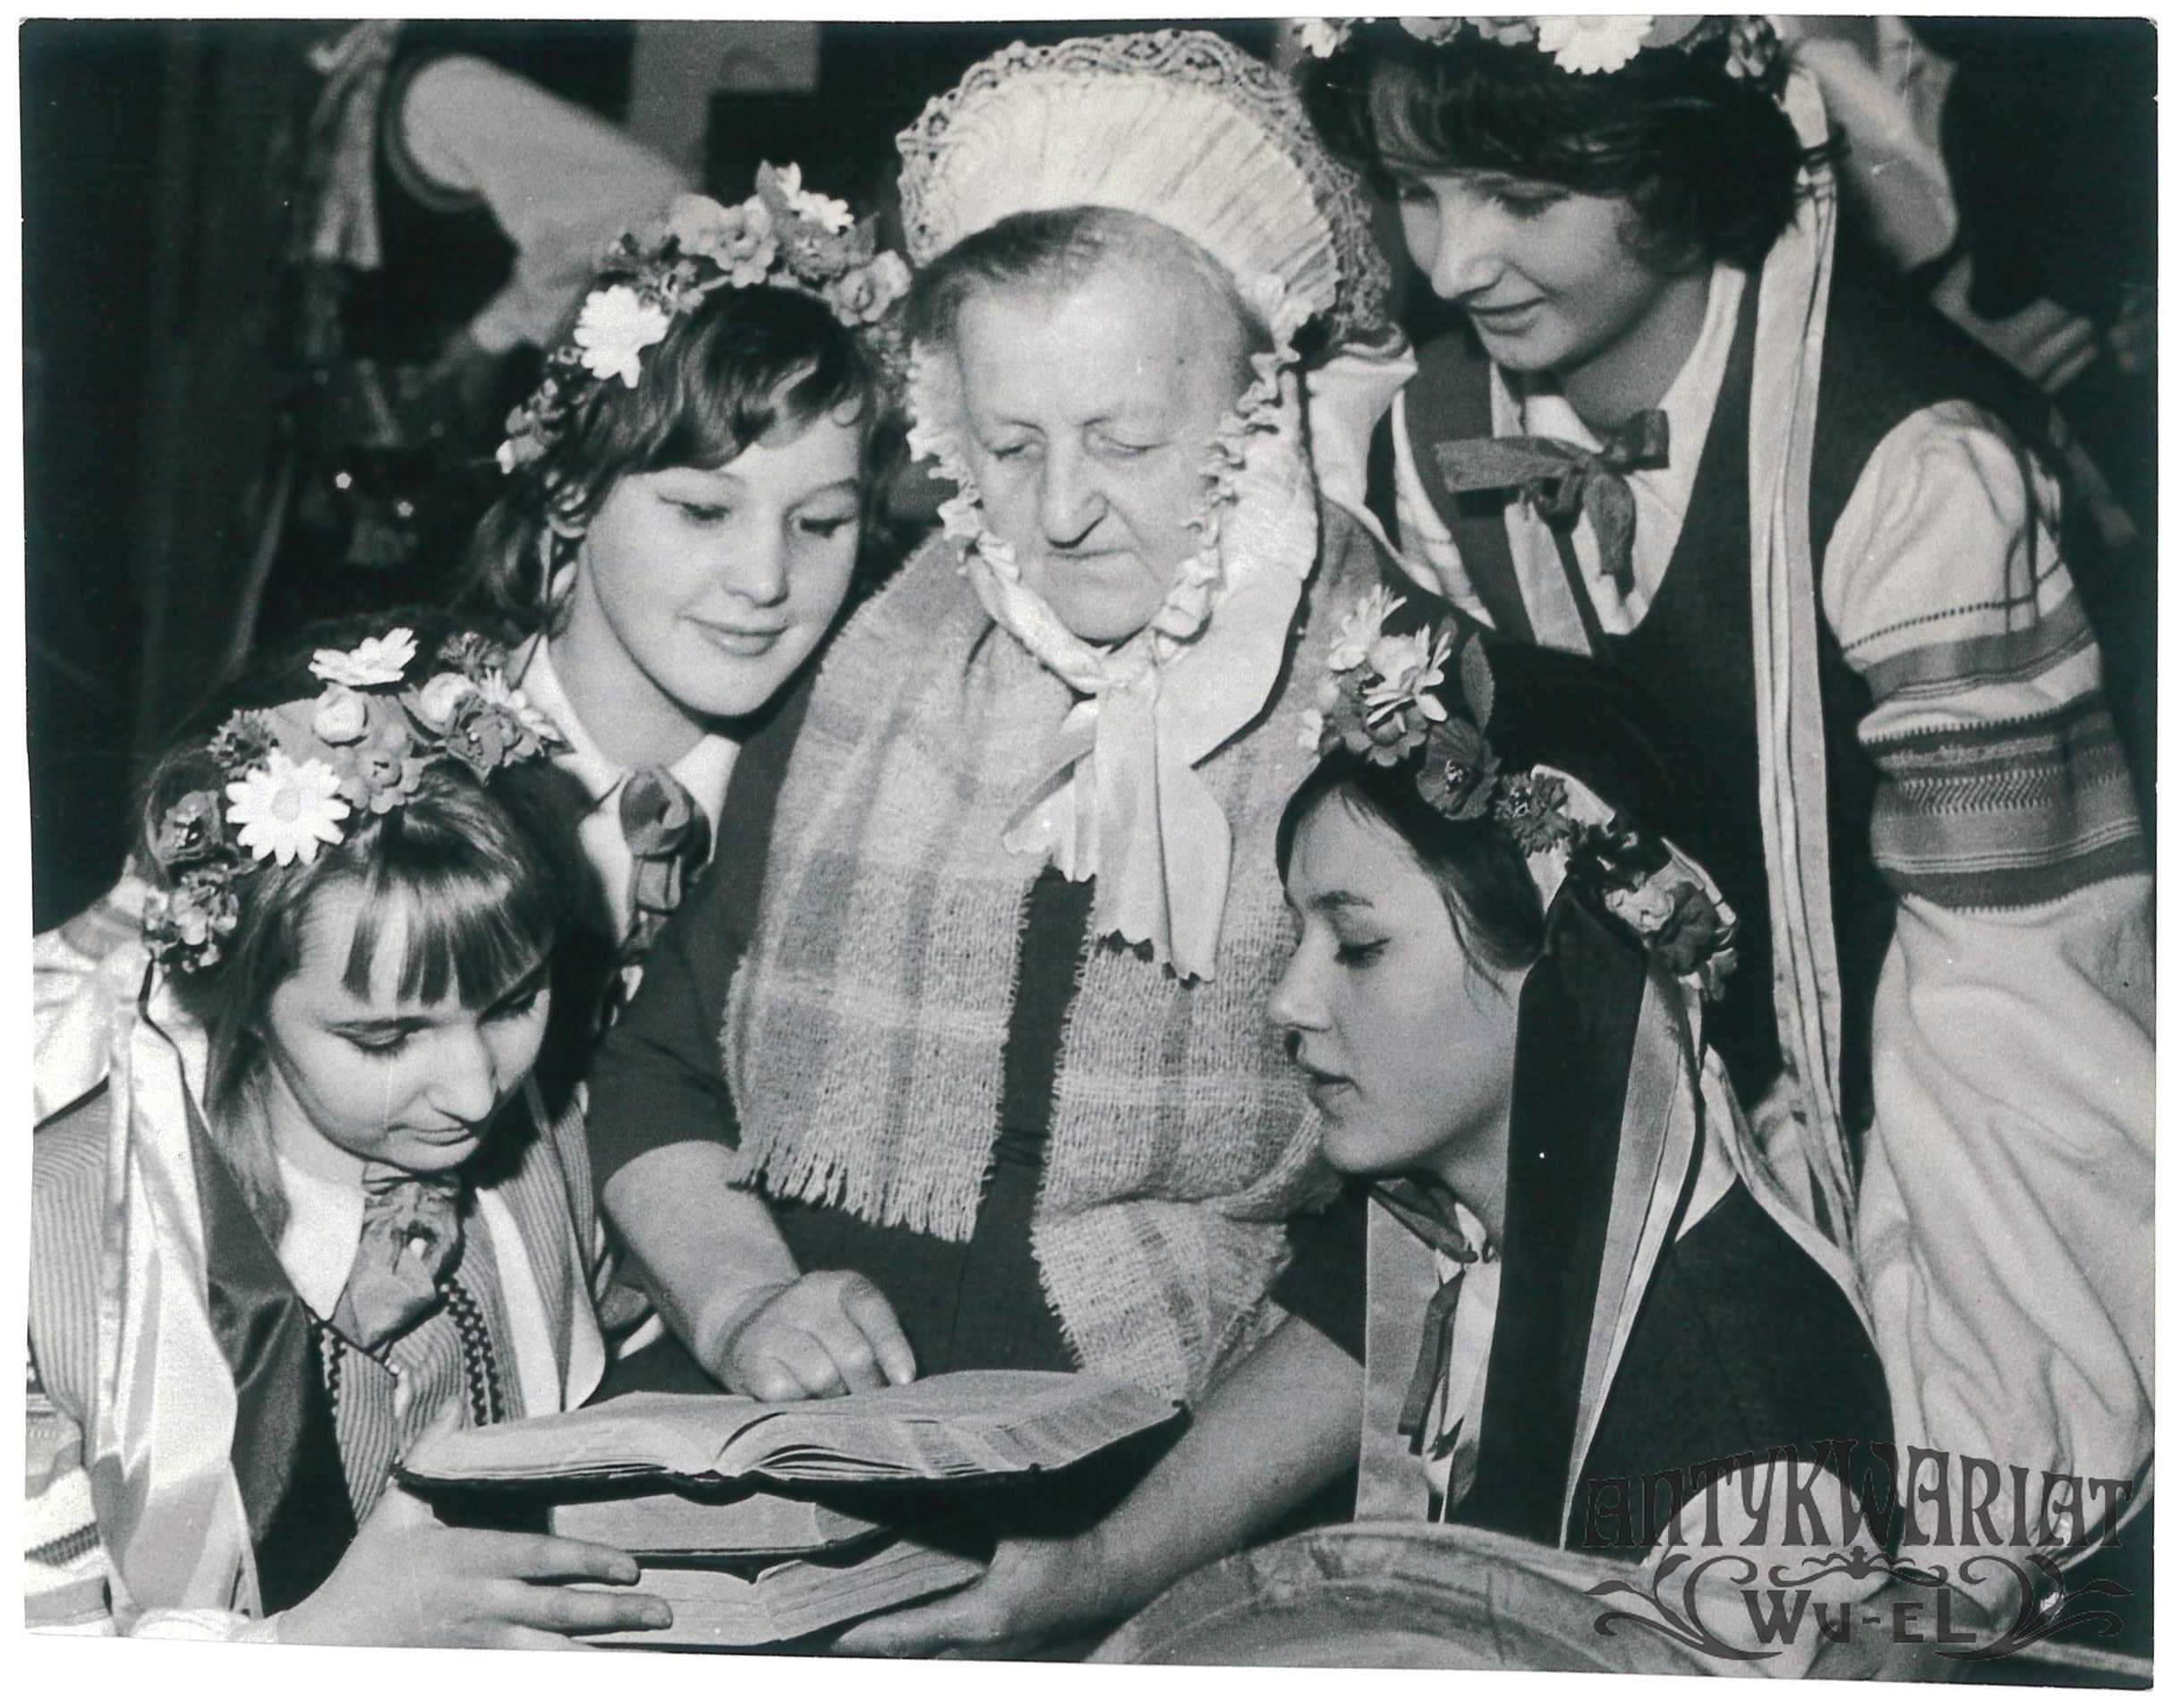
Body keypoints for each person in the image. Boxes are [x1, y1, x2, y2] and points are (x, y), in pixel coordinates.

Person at [1297, 15, 2151, 1581]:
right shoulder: (1428, 440)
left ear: (1681, 163)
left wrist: (1973, 1455)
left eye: (1519, 197)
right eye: (1416, 193)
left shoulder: (1912, 460)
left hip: (1934, 1132)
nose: (1455, 260)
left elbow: (2013, 993)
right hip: (1638, 1142)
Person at [844, 599, 1897, 1669]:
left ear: (1573, 972)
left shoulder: (1745, 1425)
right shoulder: (1486, 1214)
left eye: (1356, 945)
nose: (1288, 1001)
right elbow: (1364, 1322)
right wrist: (1095, 1568)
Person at [587, 31, 1398, 1415]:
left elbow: (1413, 1244)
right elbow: (664, 1068)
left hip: (1172, 1439)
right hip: (789, 1413)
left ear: (1259, 407)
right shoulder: (876, 657)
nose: (1060, 513)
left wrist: (1117, 1540)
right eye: (1010, 447)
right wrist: (744, 1303)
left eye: (1125, 442)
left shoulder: (1395, 691)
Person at [32, 161, 907, 1116]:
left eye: (821, 523)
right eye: (703, 511)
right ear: (570, 491)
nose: (766, 579)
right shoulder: (348, 758)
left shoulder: (858, 796)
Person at [25, 612, 675, 1644]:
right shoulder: (53, 1261)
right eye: (386, 1037)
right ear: (240, 999)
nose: (476, 1090)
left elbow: (611, 1348)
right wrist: (313, 1646)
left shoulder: (538, 1135)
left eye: (514, 1002)